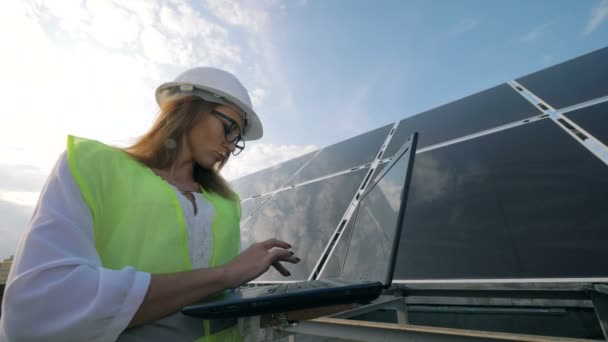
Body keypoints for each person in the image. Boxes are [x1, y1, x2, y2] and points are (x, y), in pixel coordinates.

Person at [0, 67, 348, 341]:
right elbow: (36, 312)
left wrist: (284, 308)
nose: (230, 146)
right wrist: (227, 274)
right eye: (229, 128)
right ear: (186, 108)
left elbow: (220, 313)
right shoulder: (92, 166)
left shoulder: (226, 205)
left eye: (238, 139)